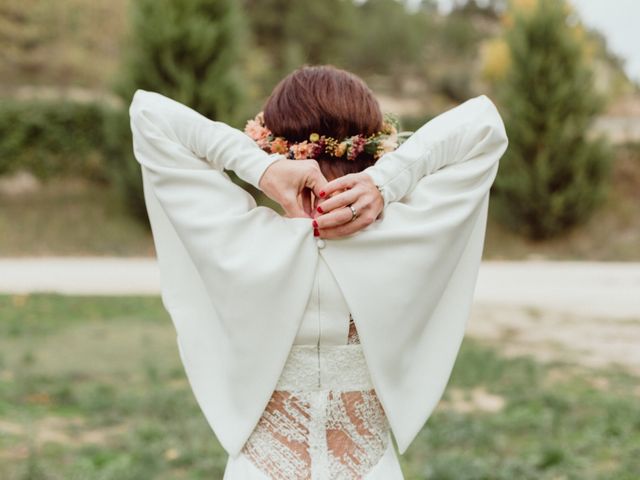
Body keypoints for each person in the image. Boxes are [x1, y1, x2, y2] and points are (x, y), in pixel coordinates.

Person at [129, 64, 508, 479]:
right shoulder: (405, 240)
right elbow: (483, 124)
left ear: (272, 144)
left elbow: (149, 115)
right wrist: (386, 182)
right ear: (376, 146)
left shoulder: (239, 241)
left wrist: (258, 168)